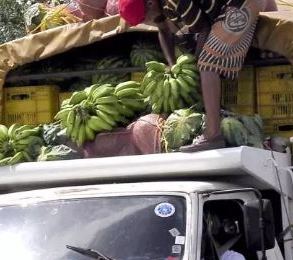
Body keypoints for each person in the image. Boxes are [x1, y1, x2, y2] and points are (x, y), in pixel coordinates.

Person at [118, 0, 277, 152]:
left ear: (150, 4)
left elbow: (204, 29)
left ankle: (213, 134)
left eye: (145, 19)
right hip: (222, 9)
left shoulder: (175, 1)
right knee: (200, 56)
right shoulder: (159, 6)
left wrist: (198, 64)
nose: (147, 23)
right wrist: (172, 64)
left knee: (207, 64)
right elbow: (163, 30)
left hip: (240, 3)